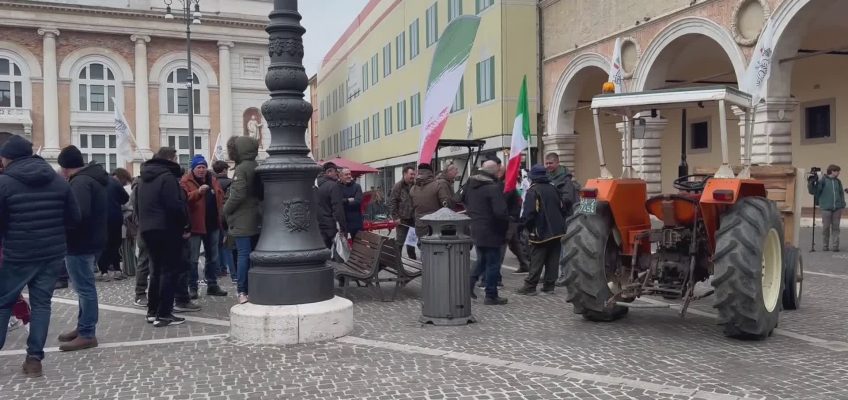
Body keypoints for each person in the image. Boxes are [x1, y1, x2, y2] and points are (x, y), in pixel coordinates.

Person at [0, 135, 80, 377]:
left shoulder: (3, 183)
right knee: (42, 304)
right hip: (51, 253)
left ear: (8, 158)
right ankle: (34, 359)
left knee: (3, 302)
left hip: (18, 253)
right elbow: (74, 218)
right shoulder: (58, 181)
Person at [58, 145, 108, 352]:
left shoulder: (80, 182)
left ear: (65, 167)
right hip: (91, 240)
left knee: (85, 288)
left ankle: (87, 332)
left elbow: (78, 213)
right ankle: (82, 327)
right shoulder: (92, 178)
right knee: (83, 287)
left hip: (80, 242)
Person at [138, 147, 189, 327]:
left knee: (156, 270)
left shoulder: (144, 178)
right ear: (171, 159)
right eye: (176, 158)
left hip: (147, 228)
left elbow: (138, 205)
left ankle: (152, 311)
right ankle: (164, 313)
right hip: (167, 228)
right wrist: (185, 224)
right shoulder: (167, 177)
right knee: (169, 271)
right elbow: (174, 206)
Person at [181, 155, 228, 298]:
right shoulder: (186, 181)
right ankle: (193, 287)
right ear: (193, 169)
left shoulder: (212, 179)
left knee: (213, 257)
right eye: (198, 167)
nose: (201, 170)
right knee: (193, 258)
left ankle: (212, 285)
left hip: (213, 224)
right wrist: (198, 192)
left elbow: (220, 196)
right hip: (195, 225)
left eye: (203, 167)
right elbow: (184, 199)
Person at [516, 165, 566, 296]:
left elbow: (529, 213)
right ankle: (549, 286)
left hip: (541, 231)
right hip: (558, 230)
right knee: (553, 259)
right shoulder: (553, 188)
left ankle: (530, 286)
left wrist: (524, 227)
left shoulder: (533, 191)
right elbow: (562, 207)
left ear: (533, 177)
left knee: (537, 259)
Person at [224, 136, 262, 305]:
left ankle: (242, 291)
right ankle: (254, 288)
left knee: (243, 256)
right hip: (255, 218)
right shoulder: (255, 165)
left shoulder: (241, 169)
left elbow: (237, 195)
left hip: (242, 220)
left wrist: (225, 210)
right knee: (252, 256)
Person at [465, 160, 509, 305]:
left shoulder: (471, 185)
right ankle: (491, 295)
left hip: (476, 228)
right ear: (493, 172)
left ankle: (468, 286)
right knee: (493, 263)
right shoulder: (493, 188)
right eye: (497, 171)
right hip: (492, 230)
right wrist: (506, 225)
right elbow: (500, 212)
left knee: (482, 261)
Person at [97, 168, 130, 281]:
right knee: (115, 244)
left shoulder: (97, 183)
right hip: (116, 217)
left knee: (104, 245)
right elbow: (125, 198)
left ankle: (104, 271)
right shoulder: (115, 183)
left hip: (101, 218)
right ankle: (117, 270)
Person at [410, 163, 454, 239]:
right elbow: (447, 206)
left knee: (423, 249)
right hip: (436, 228)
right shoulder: (438, 185)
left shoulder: (413, 189)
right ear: (430, 172)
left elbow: (411, 208)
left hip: (420, 227)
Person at [808, 164, 846, 252]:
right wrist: (813, 182)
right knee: (826, 227)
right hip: (826, 207)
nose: (839, 173)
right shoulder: (823, 180)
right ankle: (825, 246)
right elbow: (815, 191)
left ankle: (835, 246)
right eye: (837, 171)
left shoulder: (838, 181)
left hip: (837, 208)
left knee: (836, 227)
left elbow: (841, 193)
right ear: (832, 171)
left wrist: (842, 203)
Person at [213, 160, 236, 280]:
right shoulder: (231, 183)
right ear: (224, 170)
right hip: (227, 217)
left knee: (216, 245)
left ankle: (219, 270)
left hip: (214, 217)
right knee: (228, 247)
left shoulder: (212, 183)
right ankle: (232, 273)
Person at [316, 162, 347, 248]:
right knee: (335, 255)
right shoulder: (333, 186)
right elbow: (338, 209)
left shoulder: (316, 185)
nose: (337, 173)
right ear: (329, 172)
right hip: (331, 228)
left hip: (319, 225)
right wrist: (343, 227)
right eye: (335, 171)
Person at [390, 165, 418, 259]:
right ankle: (397, 264)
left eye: (414, 174)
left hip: (413, 219)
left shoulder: (415, 185)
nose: (413, 176)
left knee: (411, 243)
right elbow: (392, 203)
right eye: (411, 174)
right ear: (405, 174)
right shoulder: (397, 186)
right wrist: (395, 217)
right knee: (399, 243)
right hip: (402, 220)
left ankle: (413, 261)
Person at [340, 168, 364, 239]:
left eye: (349, 174)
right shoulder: (337, 187)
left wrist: (342, 202)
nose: (349, 176)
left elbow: (357, 201)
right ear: (341, 176)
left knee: (358, 245)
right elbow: (336, 202)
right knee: (343, 245)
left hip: (355, 221)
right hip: (343, 221)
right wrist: (347, 200)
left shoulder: (357, 186)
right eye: (346, 174)